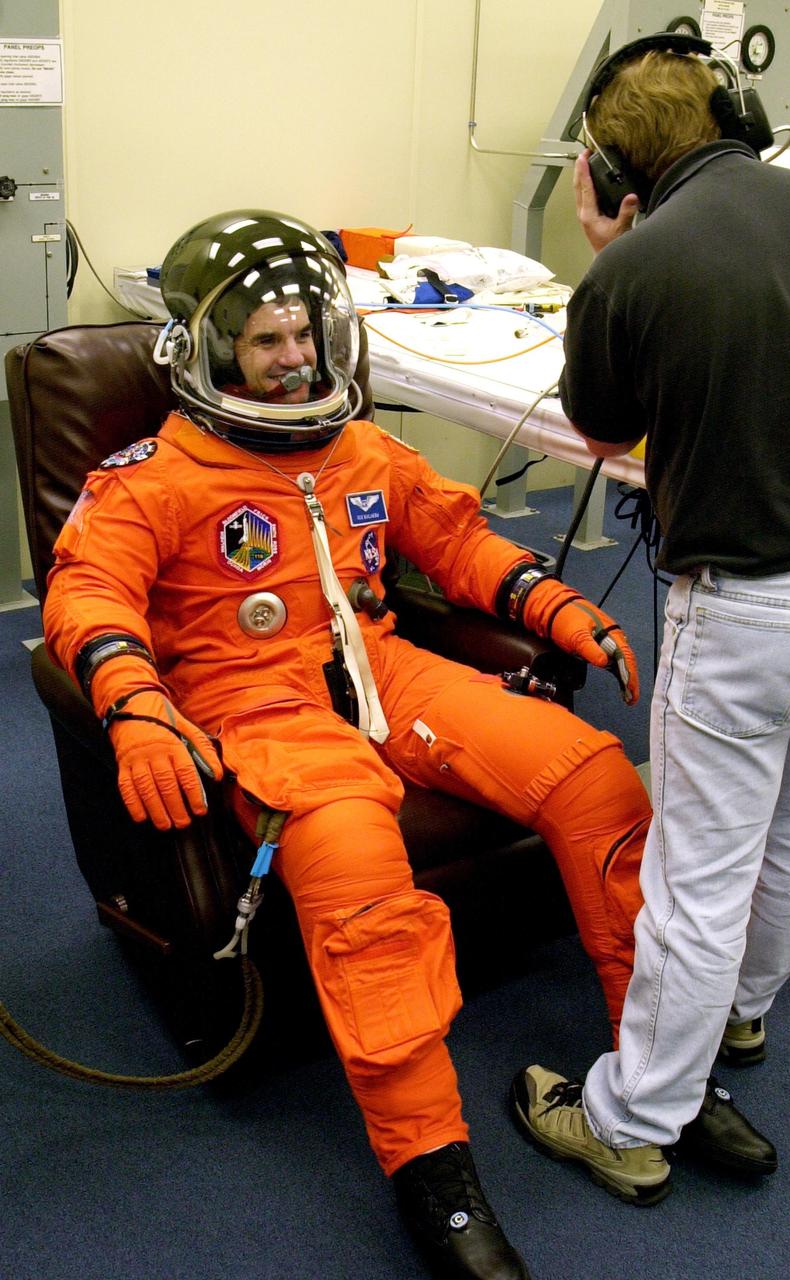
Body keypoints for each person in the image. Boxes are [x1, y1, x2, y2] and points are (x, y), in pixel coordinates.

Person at [43, 209, 658, 1280]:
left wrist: (557, 603)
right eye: (267, 339)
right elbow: (86, 590)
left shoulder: (362, 447)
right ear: (205, 345)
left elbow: (453, 538)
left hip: (383, 671)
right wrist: (135, 703)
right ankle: (435, 1169)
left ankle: (656, 1070)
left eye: (307, 335)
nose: (296, 361)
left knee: (595, 775)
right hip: (251, 701)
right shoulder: (152, 478)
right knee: (360, 873)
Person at [511, 36, 790, 1208]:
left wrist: (613, 257)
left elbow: (600, 424)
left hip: (758, 603)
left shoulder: (634, 263)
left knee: (697, 874)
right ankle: (742, 1022)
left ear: (613, 173)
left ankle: (631, 1117)